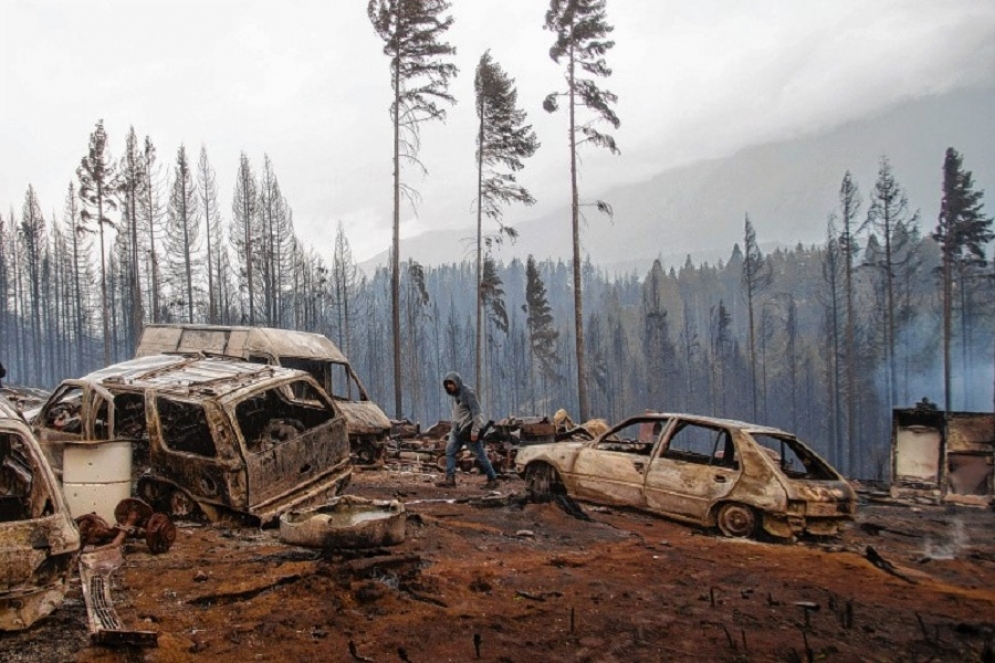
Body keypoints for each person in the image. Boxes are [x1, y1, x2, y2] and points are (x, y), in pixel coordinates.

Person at [436, 371, 499, 490]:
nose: (449, 386)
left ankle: (493, 479)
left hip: (468, 431)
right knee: (450, 451)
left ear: (457, 383)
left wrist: (475, 431)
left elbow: (477, 413)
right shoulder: (455, 395)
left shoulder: (468, 393)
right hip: (457, 430)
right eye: (447, 384)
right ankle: (450, 479)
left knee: (480, 455)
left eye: (451, 383)